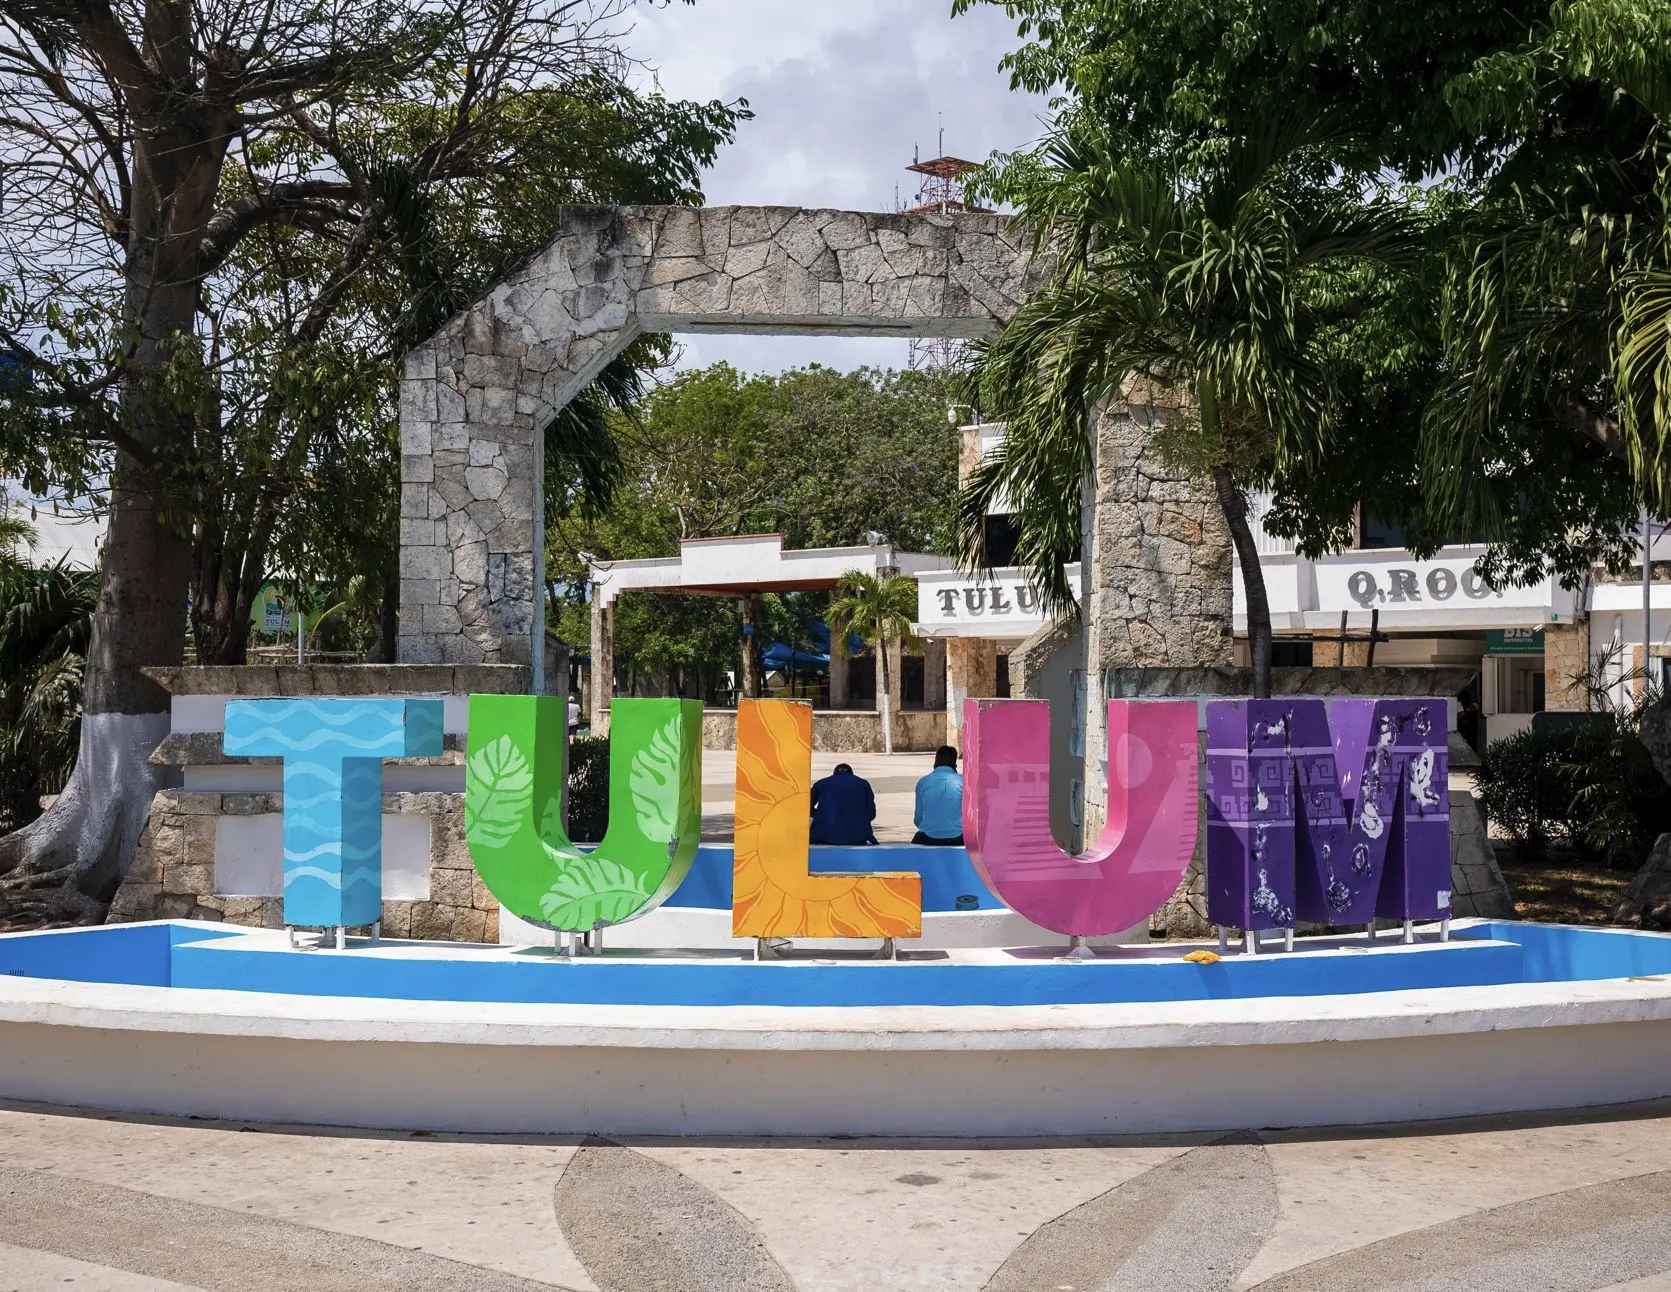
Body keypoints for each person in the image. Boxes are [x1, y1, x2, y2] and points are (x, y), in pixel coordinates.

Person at [809, 763, 878, 845]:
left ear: (834, 773)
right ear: (851, 773)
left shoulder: (821, 784)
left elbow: (806, 807)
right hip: (857, 837)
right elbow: (871, 813)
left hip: (824, 835)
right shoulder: (863, 784)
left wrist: (821, 816)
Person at [912, 745, 964, 846]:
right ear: (955, 765)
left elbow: (918, 819)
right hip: (958, 838)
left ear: (935, 762)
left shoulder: (923, 782)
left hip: (927, 838)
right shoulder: (964, 782)